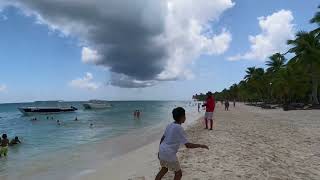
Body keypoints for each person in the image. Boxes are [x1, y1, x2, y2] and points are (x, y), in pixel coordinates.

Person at [155, 107, 209, 180]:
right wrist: (201, 145)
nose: (185, 117)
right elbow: (188, 145)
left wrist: (159, 151)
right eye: (185, 115)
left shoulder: (169, 125)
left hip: (162, 150)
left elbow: (162, 139)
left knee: (164, 169)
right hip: (169, 153)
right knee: (178, 174)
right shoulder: (179, 128)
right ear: (182, 117)